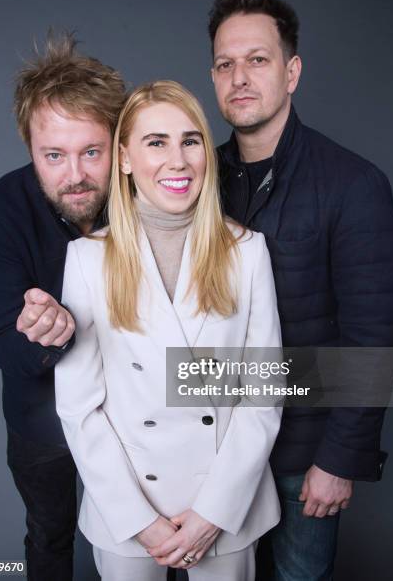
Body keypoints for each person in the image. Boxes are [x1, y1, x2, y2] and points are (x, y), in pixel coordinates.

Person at [208, 0, 393, 581]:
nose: (240, 77)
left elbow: (374, 338)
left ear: (291, 72)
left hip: (304, 458)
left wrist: (340, 459)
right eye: (225, 64)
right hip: (213, 450)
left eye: (258, 60)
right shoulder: (194, 181)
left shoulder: (354, 184)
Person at [55, 80, 283, 581]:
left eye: (191, 140)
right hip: (128, 512)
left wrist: (213, 513)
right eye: (156, 142)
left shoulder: (248, 252)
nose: (177, 160)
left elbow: (263, 394)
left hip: (226, 507)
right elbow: (79, 408)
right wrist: (141, 521)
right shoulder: (88, 259)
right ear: (125, 159)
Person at [0, 33, 126, 580]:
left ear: (118, 143)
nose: (75, 175)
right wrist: (46, 333)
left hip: (137, 414)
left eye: (92, 151)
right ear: (30, 149)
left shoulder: (149, 194)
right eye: (53, 155)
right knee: (48, 538)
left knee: (157, 546)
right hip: (43, 422)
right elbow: (5, 349)